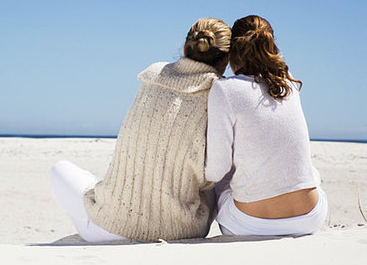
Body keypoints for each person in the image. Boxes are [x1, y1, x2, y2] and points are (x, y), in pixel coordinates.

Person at [50, 18, 231, 242]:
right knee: (217, 179)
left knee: (60, 169)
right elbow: (214, 172)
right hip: (182, 231)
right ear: (227, 61)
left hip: (108, 227)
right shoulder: (220, 92)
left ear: (185, 49)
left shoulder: (153, 74)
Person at [205, 15, 327, 236]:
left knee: (220, 179)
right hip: (310, 217)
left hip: (250, 224)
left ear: (232, 52)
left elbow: (216, 169)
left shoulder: (225, 90)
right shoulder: (289, 85)